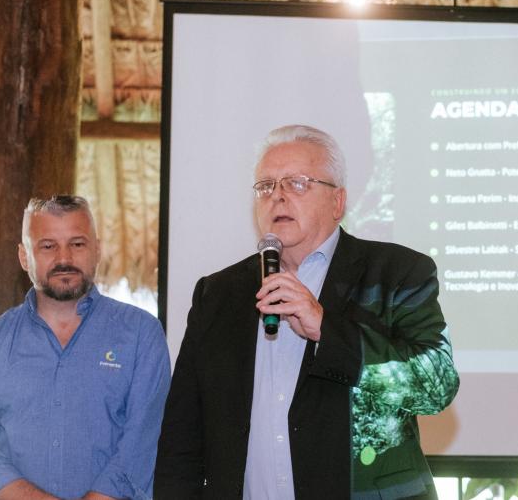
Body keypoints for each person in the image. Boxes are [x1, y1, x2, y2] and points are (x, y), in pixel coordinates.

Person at [154, 126, 459, 499]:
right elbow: (181, 438)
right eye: (266, 186)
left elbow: (435, 385)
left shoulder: (396, 273)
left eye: (297, 183)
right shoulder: (217, 294)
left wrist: (325, 329)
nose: (277, 196)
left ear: (338, 202)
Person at [0, 195, 171, 500]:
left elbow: (143, 443)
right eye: (48, 246)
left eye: (77, 244)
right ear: (24, 256)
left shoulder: (141, 335)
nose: (64, 258)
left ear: (97, 249)